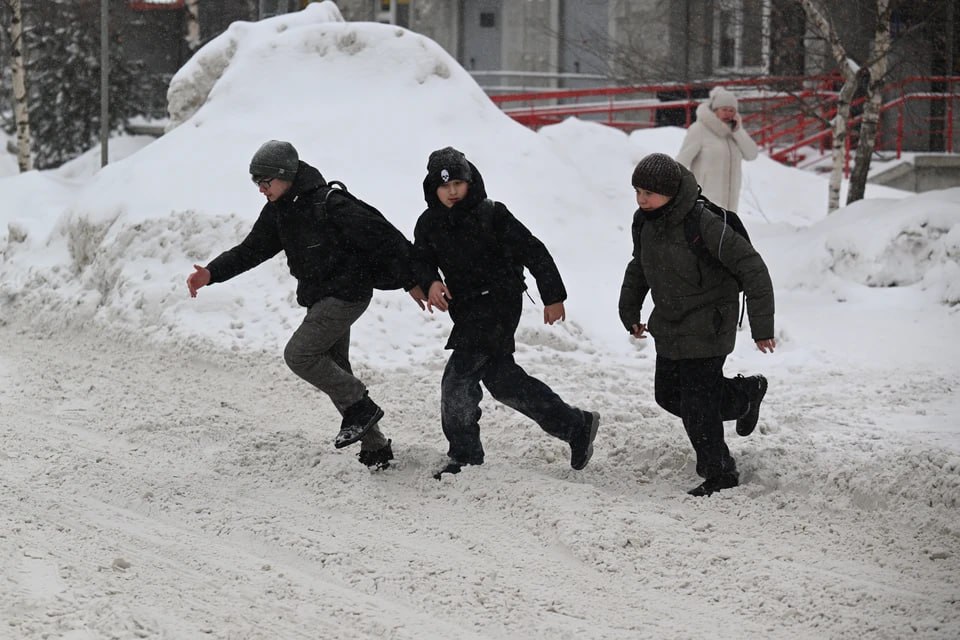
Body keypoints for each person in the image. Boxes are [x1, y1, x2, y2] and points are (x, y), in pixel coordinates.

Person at [186, 140, 421, 470]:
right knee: (335, 369)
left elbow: (384, 237)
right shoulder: (279, 211)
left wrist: (412, 279)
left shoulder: (328, 203)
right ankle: (376, 447)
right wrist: (211, 273)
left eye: (265, 182)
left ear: (284, 176)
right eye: (257, 183)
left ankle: (362, 405)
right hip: (321, 297)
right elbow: (250, 250)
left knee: (300, 355)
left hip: (347, 295)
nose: (261, 189)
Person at [411, 146, 600, 479]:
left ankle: (465, 457)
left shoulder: (492, 214)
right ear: (432, 188)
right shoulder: (428, 224)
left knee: (457, 379)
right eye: (444, 186)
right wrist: (430, 283)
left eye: (458, 183)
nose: (453, 191)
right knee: (502, 380)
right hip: (468, 308)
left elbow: (534, 251)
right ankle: (575, 425)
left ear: (470, 181)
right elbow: (422, 261)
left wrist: (553, 296)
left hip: (499, 302)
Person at [618, 153, 776, 497]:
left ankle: (720, 473)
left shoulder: (701, 221)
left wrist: (761, 326)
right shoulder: (644, 222)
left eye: (649, 193)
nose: (642, 199)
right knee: (669, 395)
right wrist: (629, 309)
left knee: (697, 405)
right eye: (637, 192)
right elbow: (640, 266)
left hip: (710, 322)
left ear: (671, 193)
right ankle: (746, 394)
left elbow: (752, 266)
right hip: (672, 323)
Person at [676, 85, 758, 211]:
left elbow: (752, 154)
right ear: (714, 110)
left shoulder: (735, 133)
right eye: (724, 109)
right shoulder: (699, 129)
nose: (728, 114)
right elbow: (681, 163)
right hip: (705, 203)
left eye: (732, 110)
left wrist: (737, 131)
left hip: (730, 206)